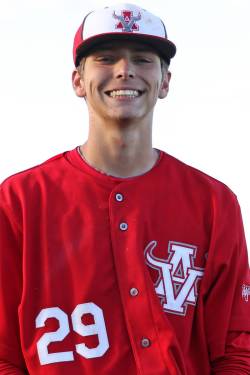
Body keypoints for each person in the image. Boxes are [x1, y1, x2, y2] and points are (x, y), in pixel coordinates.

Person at [0, 3, 249, 374]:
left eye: (143, 59)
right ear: (78, 81)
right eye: (106, 57)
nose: (125, 70)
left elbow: (235, 350)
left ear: (165, 82)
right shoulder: (19, 201)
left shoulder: (213, 203)